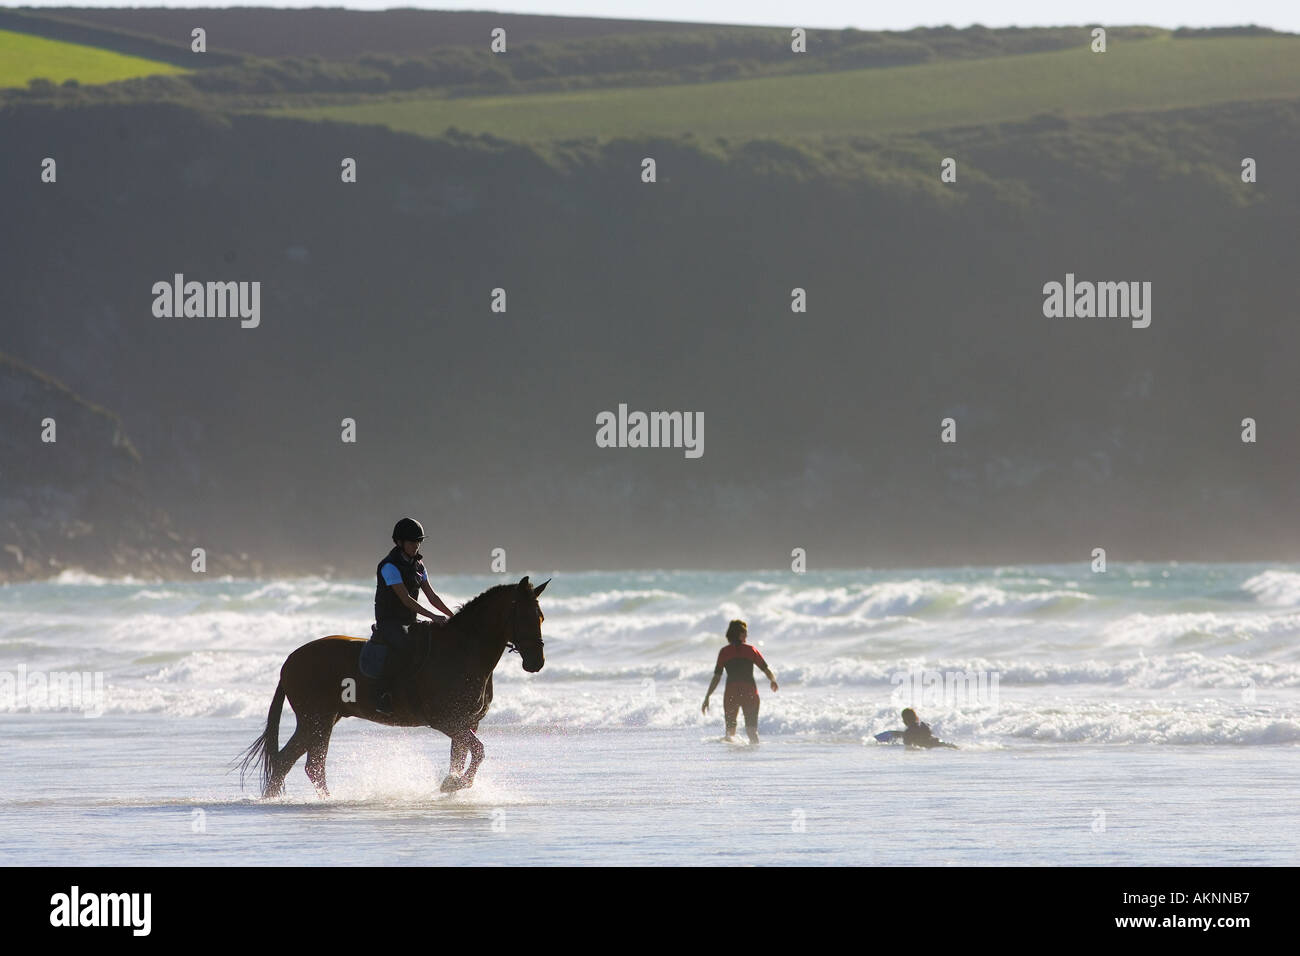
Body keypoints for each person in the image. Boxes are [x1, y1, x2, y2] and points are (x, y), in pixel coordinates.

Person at [371, 517, 456, 714]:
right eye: (412, 542)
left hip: (409, 621)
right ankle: (383, 694)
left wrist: (453, 616)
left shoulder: (419, 565)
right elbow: (406, 600)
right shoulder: (389, 566)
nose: (416, 546)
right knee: (404, 647)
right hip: (389, 622)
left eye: (419, 542)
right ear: (399, 543)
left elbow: (432, 596)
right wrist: (434, 617)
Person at [702, 619, 777, 744]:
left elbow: (717, 677)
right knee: (752, 732)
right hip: (750, 693)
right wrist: (773, 680)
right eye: (745, 633)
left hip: (732, 693)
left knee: (730, 732)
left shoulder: (724, 652)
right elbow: (766, 669)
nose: (747, 636)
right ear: (740, 634)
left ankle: (733, 762)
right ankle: (755, 758)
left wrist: (707, 696)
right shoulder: (751, 650)